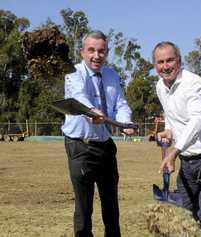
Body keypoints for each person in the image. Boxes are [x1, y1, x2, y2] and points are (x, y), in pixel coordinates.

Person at [152, 41, 201, 237]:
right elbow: (170, 114)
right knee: (185, 213)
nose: (165, 66)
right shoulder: (160, 86)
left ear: (179, 61)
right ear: (155, 65)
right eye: (160, 62)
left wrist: (173, 153)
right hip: (187, 160)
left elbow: (197, 121)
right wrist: (168, 130)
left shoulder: (193, 83)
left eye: (170, 60)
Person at [62, 30, 134, 237]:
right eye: (91, 50)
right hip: (80, 146)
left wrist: (124, 122)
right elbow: (79, 99)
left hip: (106, 146)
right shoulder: (73, 73)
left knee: (111, 204)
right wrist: (93, 112)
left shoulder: (112, 75)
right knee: (84, 206)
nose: (96, 56)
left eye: (101, 51)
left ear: (107, 52)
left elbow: (120, 103)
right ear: (82, 51)